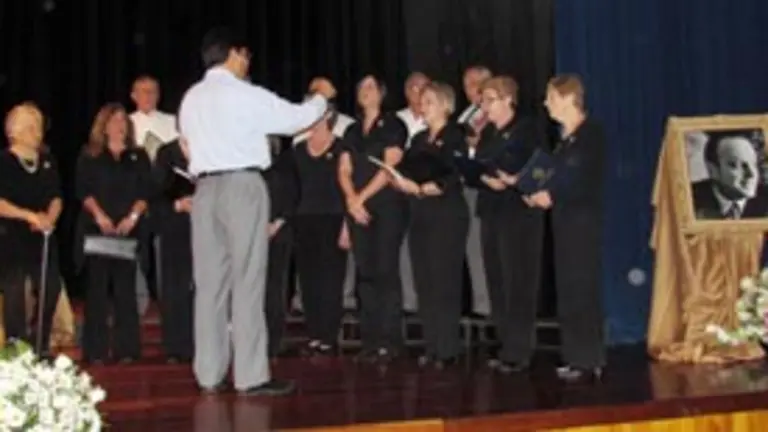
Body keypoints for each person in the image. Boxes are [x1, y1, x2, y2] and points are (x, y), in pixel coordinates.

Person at [178, 27, 335, 396]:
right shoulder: (242, 93)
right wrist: (321, 98)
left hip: (204, 190)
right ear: (235, 54)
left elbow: (186, 144)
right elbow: (295, 119)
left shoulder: (191, 98)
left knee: (209, 286)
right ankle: (250, 375)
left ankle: (209, 372)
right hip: (241, 186)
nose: (247, 63)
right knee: (248, 281)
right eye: (246, 56)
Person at [524, 74, 605, 381]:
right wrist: (531, 189)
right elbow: (553, 174)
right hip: (565, 222)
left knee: (583, 288)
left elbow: (579, 177)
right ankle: (575, 356)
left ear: (570, 98)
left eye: (551, 97)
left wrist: (551, 194)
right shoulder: (564, 139)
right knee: (569, 290)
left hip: (582, 222)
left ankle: (589, 357)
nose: (546, 104)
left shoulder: (590, 134)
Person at [392, 82, 469, 368]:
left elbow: (457, 170)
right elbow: (407, 170)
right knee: (424, 279)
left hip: (446, 212)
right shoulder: (419, 138)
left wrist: (434, 186)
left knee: (444, 279)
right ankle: (432, 344)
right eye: (421, 102)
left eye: (429, 102)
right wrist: (400, 181)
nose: (423, 107)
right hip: (420, 211)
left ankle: (448, 348)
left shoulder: (456, 134)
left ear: (445, 105)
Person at [472, 76, 544, 374]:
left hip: (519, 213)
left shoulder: (528, 128)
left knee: (519, 281)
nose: (484, 106)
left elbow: (539, 166)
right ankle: (505, 345)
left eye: (490, 99)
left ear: (507, 99)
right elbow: (482, 165)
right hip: (491, 210)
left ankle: (520, 349)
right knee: (497, 280)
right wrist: (482, 175)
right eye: (483, 100)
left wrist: (513, 181)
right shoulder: (487, 132)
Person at [338, 75, 408, 364]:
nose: (364, 91)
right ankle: (369, 340)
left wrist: (361, 197)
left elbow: (390, 166)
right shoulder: (352, 131)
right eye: (360, 87)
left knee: (386, 271)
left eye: (370, 86)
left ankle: (390, 341)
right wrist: (351, 200)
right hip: (357, 208)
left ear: (381, 93)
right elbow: (343, 169)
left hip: (387, 205)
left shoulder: (393, 125)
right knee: (365, 273)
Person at [75, 103, 151, 364]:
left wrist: (132, 217)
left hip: (127, 232)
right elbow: (83, 190)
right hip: (97, 231)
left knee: (125, 292)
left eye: (123, 120)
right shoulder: (90, 155)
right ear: (104, 125)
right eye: (114, 120)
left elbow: (146, 192)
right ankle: (95, 351)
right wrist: (99, 215)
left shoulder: (138, 156)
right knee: (96, 292)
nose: (120, 125)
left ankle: (126, 350)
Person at [0, 102, 63, 356]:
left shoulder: (47, 162)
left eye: (37, 126)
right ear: (13, 131)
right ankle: (17, 348)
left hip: (43, 237)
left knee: (50, 289)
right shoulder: (3, 161)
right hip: (11, 235)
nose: (36, 132)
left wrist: (50, 217)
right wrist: (29, 216)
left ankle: (41, 343)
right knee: (15, 292)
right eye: (29, 126)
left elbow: (56, 196)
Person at [293, 110, 350, 356]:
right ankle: (314, 333)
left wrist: (348, 225)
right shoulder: (297, 150)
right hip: (304, 220)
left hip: (333, 219)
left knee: (331, 279)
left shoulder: (341, 148)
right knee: (309, 279)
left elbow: (350, 186)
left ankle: (328, 335)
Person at [152, 133, 195, 363]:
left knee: (203, 287)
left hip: (205, 227)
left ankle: (199, 342)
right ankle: (175, 347)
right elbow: (156, 194)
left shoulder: (210, 145)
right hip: (175, 226)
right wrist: (177, 205)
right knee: (175, 285)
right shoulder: (167, 154)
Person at [395, 71, 430, 317]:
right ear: (406, 92)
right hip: (402, 192)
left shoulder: (438, 119)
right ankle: (409, 301)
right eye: (414, 88)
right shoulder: (396, 121)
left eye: (424, 88)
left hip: (433, 192)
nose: (419, 93)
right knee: (405, 248)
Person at [263, 135, 299, 359]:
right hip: (251, 233)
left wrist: (276, 223)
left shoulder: (285, 164)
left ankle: (273, 342)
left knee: (275, 288)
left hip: (279, 232)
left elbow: (293, 196)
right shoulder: (248, 167)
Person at [693, 133, 767, 219]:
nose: (751, 174)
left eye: (754, 164)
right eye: (736, 165)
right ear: (713, 170)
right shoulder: (689, 199)